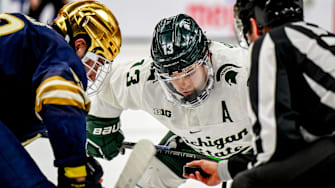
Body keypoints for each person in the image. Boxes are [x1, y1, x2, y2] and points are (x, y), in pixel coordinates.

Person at [86, 13, 254, 188]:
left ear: (207, 57)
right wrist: (101, 125)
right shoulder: (145, 78)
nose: (183, 84)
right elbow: (111, 87)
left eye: (189, 73)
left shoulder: (245, 72)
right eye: (172, 77)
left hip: (253, 149)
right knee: (150, 179)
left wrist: (232, 168)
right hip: (192, 144)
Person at [185, 0, 335, 187]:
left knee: (248, 183)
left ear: (254, 26)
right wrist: (224, 170)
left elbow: (277, 150)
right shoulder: (314, 38)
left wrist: (237, 172)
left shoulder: (270, 44)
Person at [0, 0, 121, 187]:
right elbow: (61, 98)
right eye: (98, 62)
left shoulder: (33, 40)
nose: (95, 73)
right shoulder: (62, 53)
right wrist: (76, 170)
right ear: (80, 46)